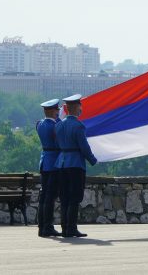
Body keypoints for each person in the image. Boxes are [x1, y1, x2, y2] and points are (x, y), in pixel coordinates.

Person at [55, 94, 97, 238]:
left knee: (64, 197)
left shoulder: (59, 125)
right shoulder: (78, 126)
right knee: (75, 197)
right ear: (76, 108)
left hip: (61, 163)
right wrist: (92, 160)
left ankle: (64, 227)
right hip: (75, 164)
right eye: (80, 106)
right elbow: (84, 147)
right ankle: (71, 227)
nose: (81, 109)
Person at [36, 98, 62, 237]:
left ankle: (42, 226)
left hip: (44, 161)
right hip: (53, 163)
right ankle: (47, 226)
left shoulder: (40, 124)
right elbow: (58, 142)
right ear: (52, 111)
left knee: (44, 196)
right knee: (50, 197)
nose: (58, 112)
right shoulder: (55, 126)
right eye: (57, 110)